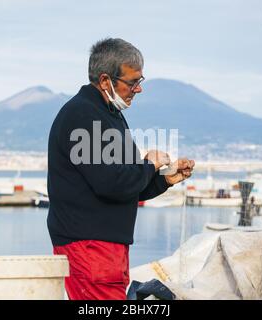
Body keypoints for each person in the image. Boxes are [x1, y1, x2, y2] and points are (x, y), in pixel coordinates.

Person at [47, 38, 195, 300]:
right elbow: (112, 184)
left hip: (105, 248)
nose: (138, 89)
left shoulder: (108, 114)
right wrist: (148, 163)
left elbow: (126, 186)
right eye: (132, 82)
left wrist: (166, 179)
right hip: (89, 246)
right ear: (106, 81)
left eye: (140, 81)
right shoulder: (83, 115)